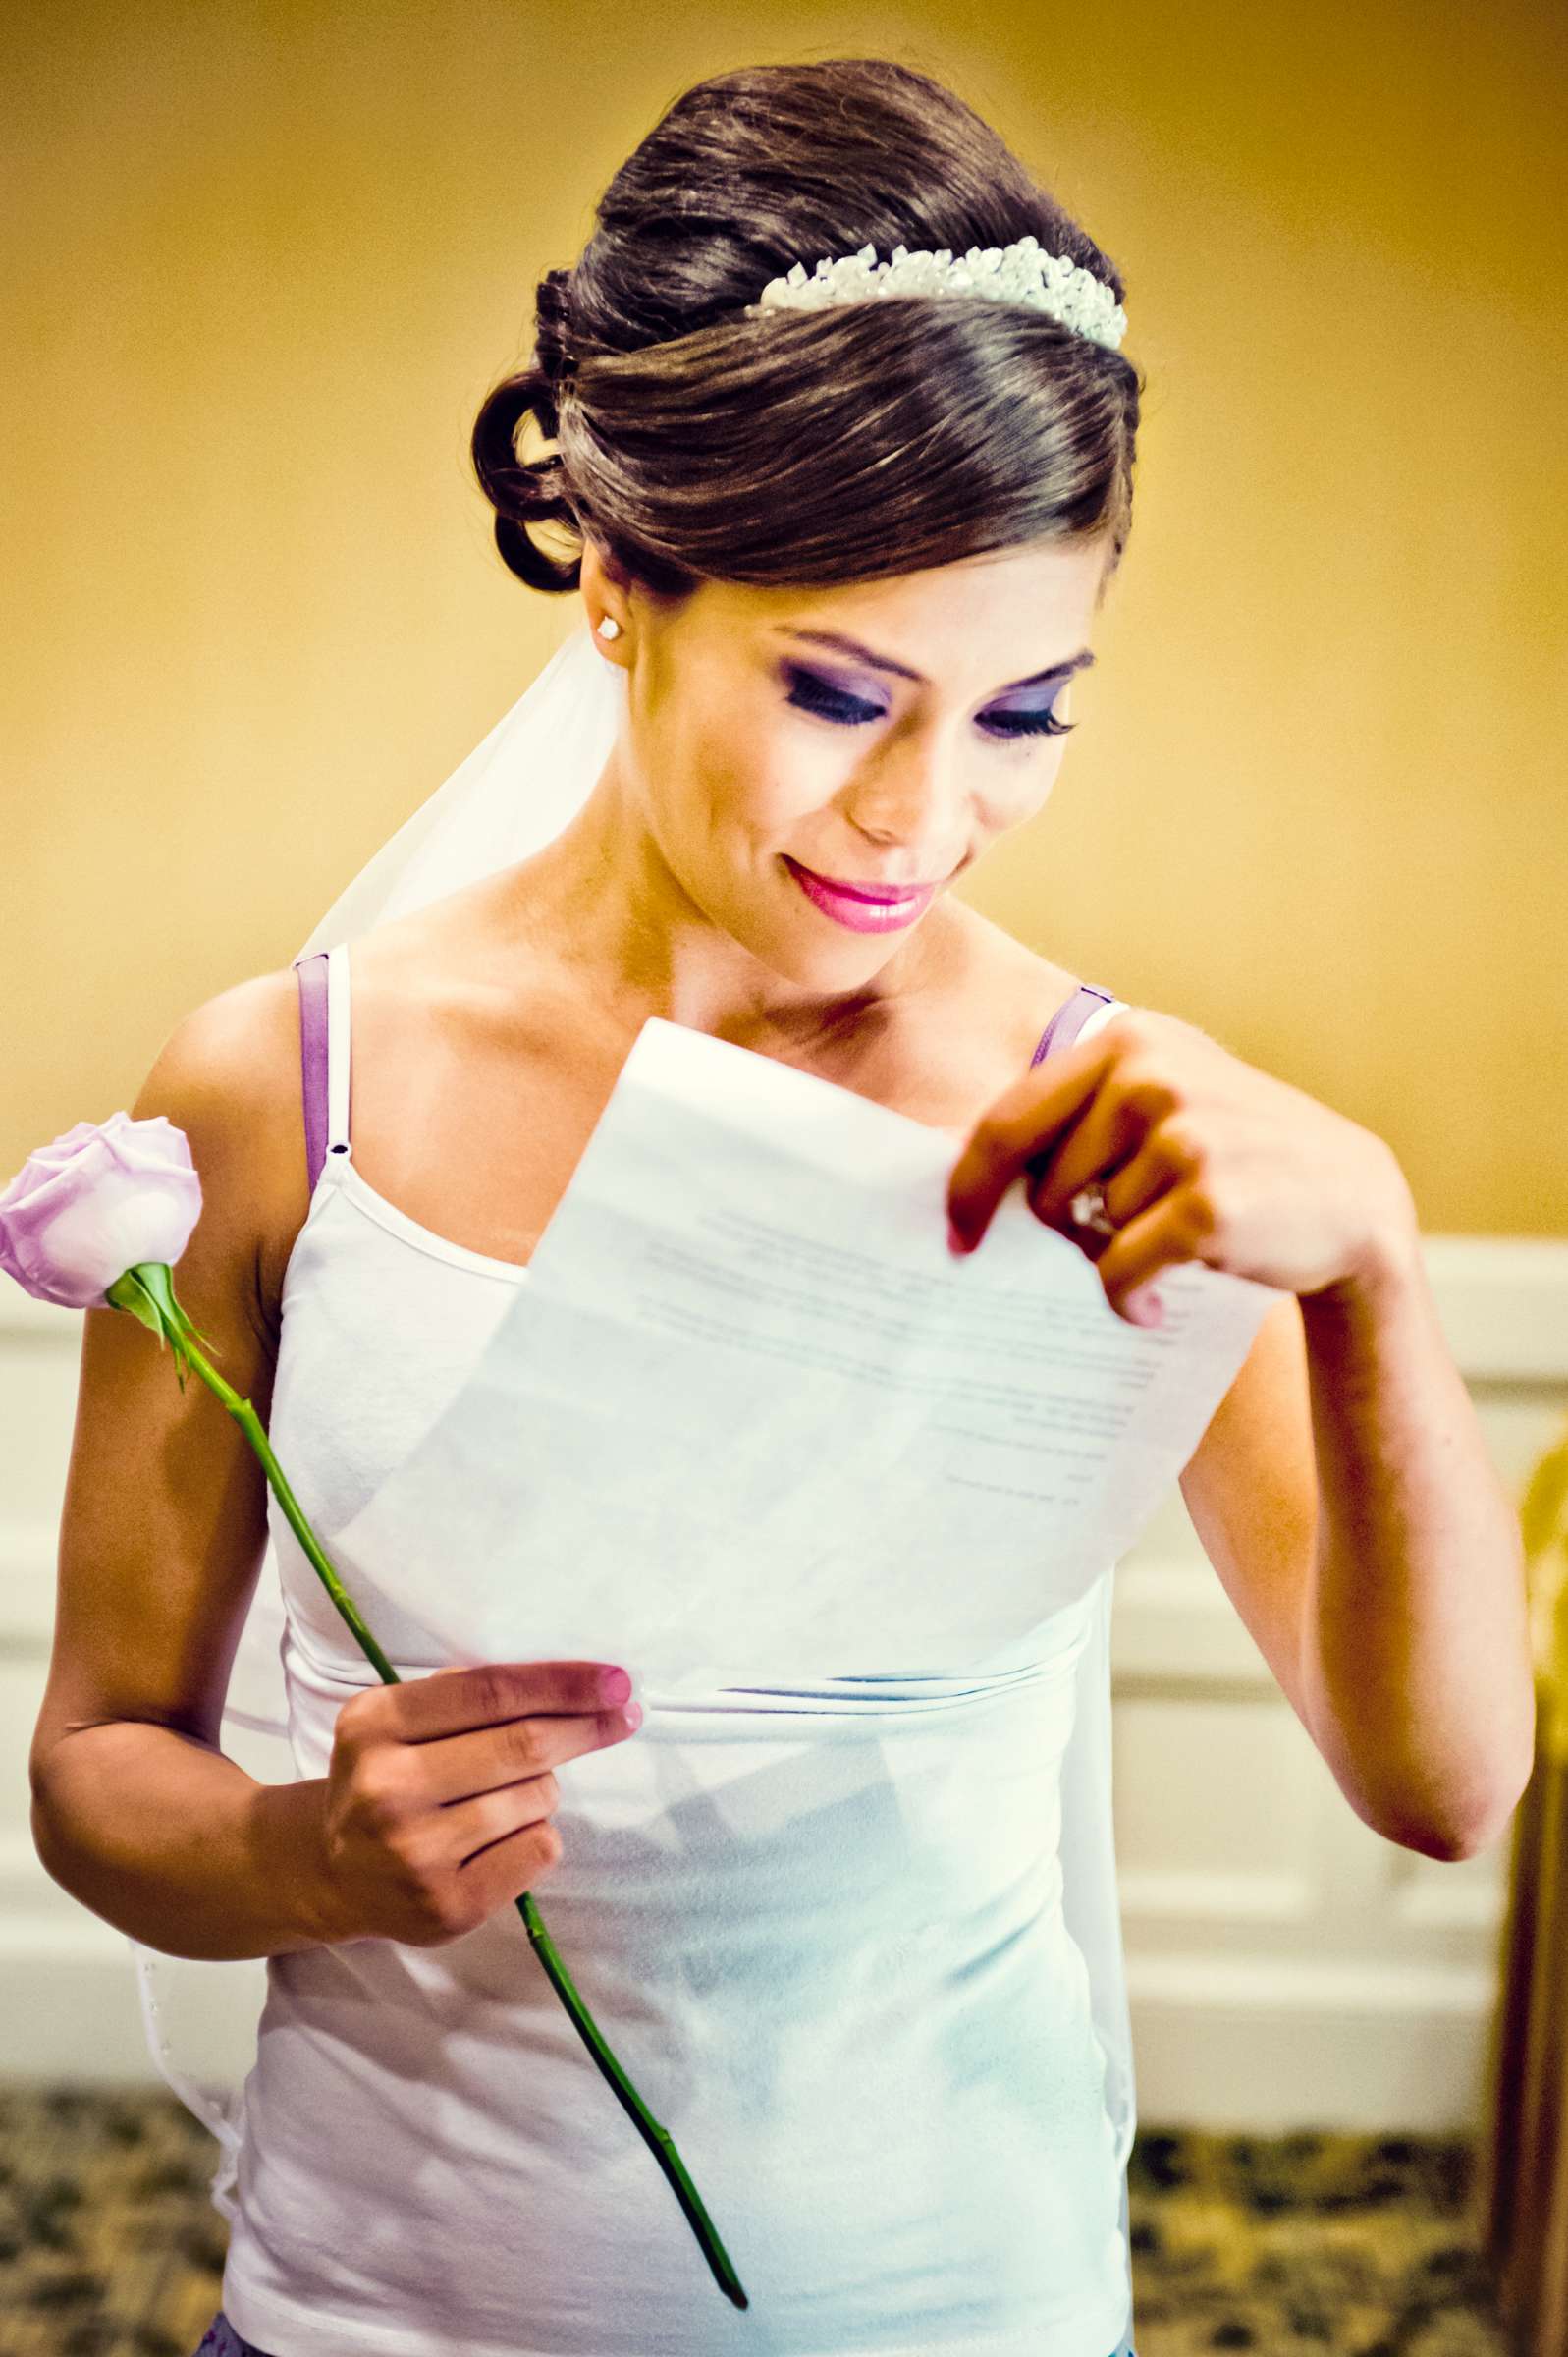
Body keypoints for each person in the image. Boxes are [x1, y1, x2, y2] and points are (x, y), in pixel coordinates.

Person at [34, 54, 1159, 2357]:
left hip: (959, 2298)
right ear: (615, 579)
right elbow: (95, 1762)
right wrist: (301, 1857)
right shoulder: (282, 1090)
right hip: (380, 2306)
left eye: (1022, 710)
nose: (923, 816)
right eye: (841, 689)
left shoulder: (1101, 1116)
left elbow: (1436, 1783)